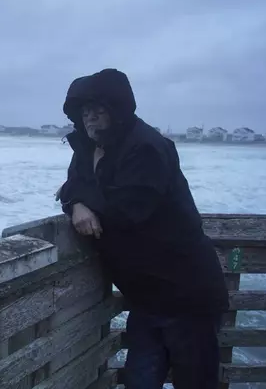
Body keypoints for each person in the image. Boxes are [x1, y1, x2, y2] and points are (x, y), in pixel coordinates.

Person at [56, 68, 229, 389]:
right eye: (85, 112)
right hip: (146, 300)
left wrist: (76, 197)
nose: (90, 118)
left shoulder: (146, 147)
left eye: (99, 110)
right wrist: (76, 203)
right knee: (139, 382)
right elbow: (70, 188)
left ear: (117, 109)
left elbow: (126, 211)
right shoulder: (86, 150)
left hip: (188, 297)